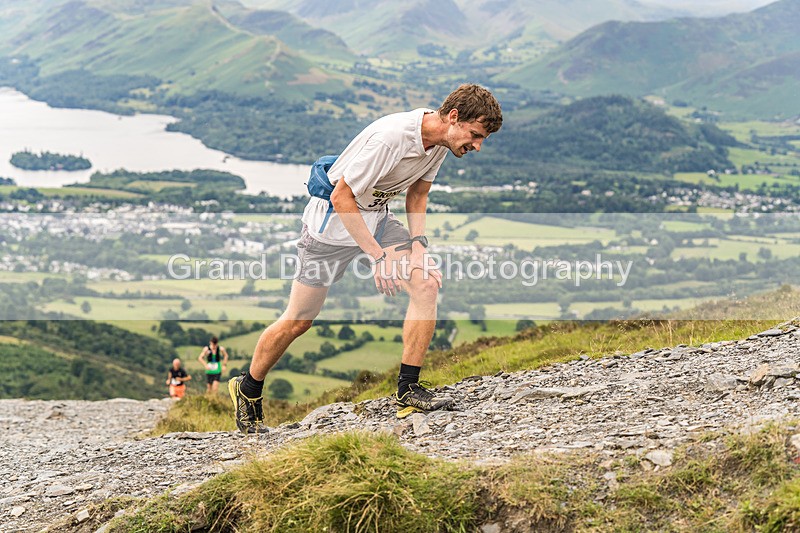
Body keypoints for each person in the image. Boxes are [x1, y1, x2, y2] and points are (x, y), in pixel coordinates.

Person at [229, 84, 503, 434]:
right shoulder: (391, 139)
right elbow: (343, 198)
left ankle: (408, 389)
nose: (477, 146)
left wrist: (418, 244)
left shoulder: (440, 142)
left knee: (426, 282)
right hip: (331, 227)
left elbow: (418, 194)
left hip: (376, 218)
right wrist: (379, 257)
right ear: (453, 117)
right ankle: (248, 387)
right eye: (476, 135)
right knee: (299, 320)